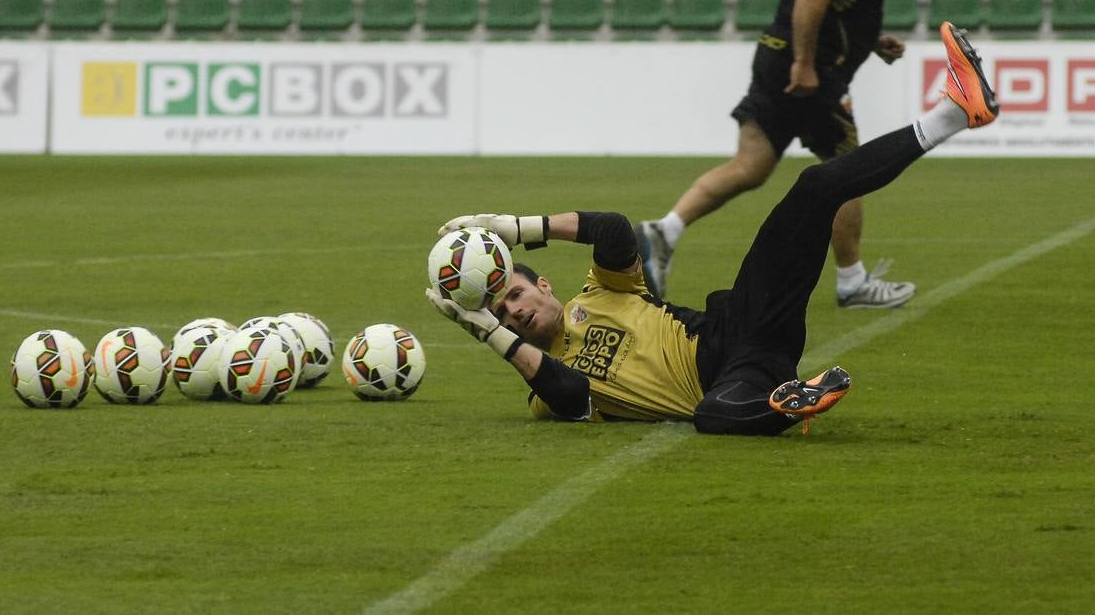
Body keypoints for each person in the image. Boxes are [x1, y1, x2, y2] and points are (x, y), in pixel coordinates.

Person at [425, 24, 998, 435]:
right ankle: (789, 400)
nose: (514, 313)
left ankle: (951, 113)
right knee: (712, 417)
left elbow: (616, 231)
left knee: (813, 189)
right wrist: (485, 332)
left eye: (516, 296)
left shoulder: (602, 292)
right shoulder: (544, 388)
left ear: (544, 285)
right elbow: (572, 395)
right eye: (501, 313)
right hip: (739, 380)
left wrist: (511, 226)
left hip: (743, 321)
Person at [636, 0, 913, 309]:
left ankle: (663, 231)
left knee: (750, 165)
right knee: (849, 169)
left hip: (774, 58)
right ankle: (852, 281)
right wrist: (805, 64)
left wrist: (867, 39)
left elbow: (830, 1)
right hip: (809, 75)